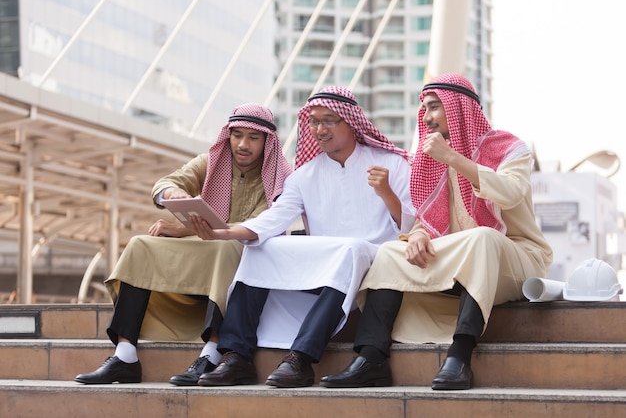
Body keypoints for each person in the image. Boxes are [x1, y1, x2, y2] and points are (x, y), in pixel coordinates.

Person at [320, 73, 553, 390]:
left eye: (434, 107)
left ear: (459, 109)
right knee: (390, 252)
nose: (426, 118)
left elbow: (510, 193)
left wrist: (453, 158)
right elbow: (427, 220)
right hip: (462, 260)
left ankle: (460, 356)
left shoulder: (511, 149)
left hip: (517, 259)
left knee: (483, 238)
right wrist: (417, 235)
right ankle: (371, 358)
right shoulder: (431, 160)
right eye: (424, 109)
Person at [191, 86, 415, 388]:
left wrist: (386, 193)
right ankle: (236, 356)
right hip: (326, 265)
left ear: (351, 122)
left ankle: (301, 359)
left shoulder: (392, 164)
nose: (319, 129)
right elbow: (274, 218)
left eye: (328, 121)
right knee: (262, 248)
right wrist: (226, 231)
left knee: (349, 250)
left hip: (376, 264)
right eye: (314, 121)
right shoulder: (303, 175)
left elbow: (411, 227)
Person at [74, 103, 292, 385]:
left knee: (225, 247)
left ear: (267, 141)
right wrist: (172, 193)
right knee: (141, 244)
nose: (242, 144)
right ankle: (125, 355)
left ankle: (212, 353)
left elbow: (257, 227)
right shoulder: (210, 162)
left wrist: (181, 229)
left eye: (253, 137)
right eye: (237, 135)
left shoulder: (279, 175)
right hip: (204, 245)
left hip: (245, 251)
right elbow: (165, 184)